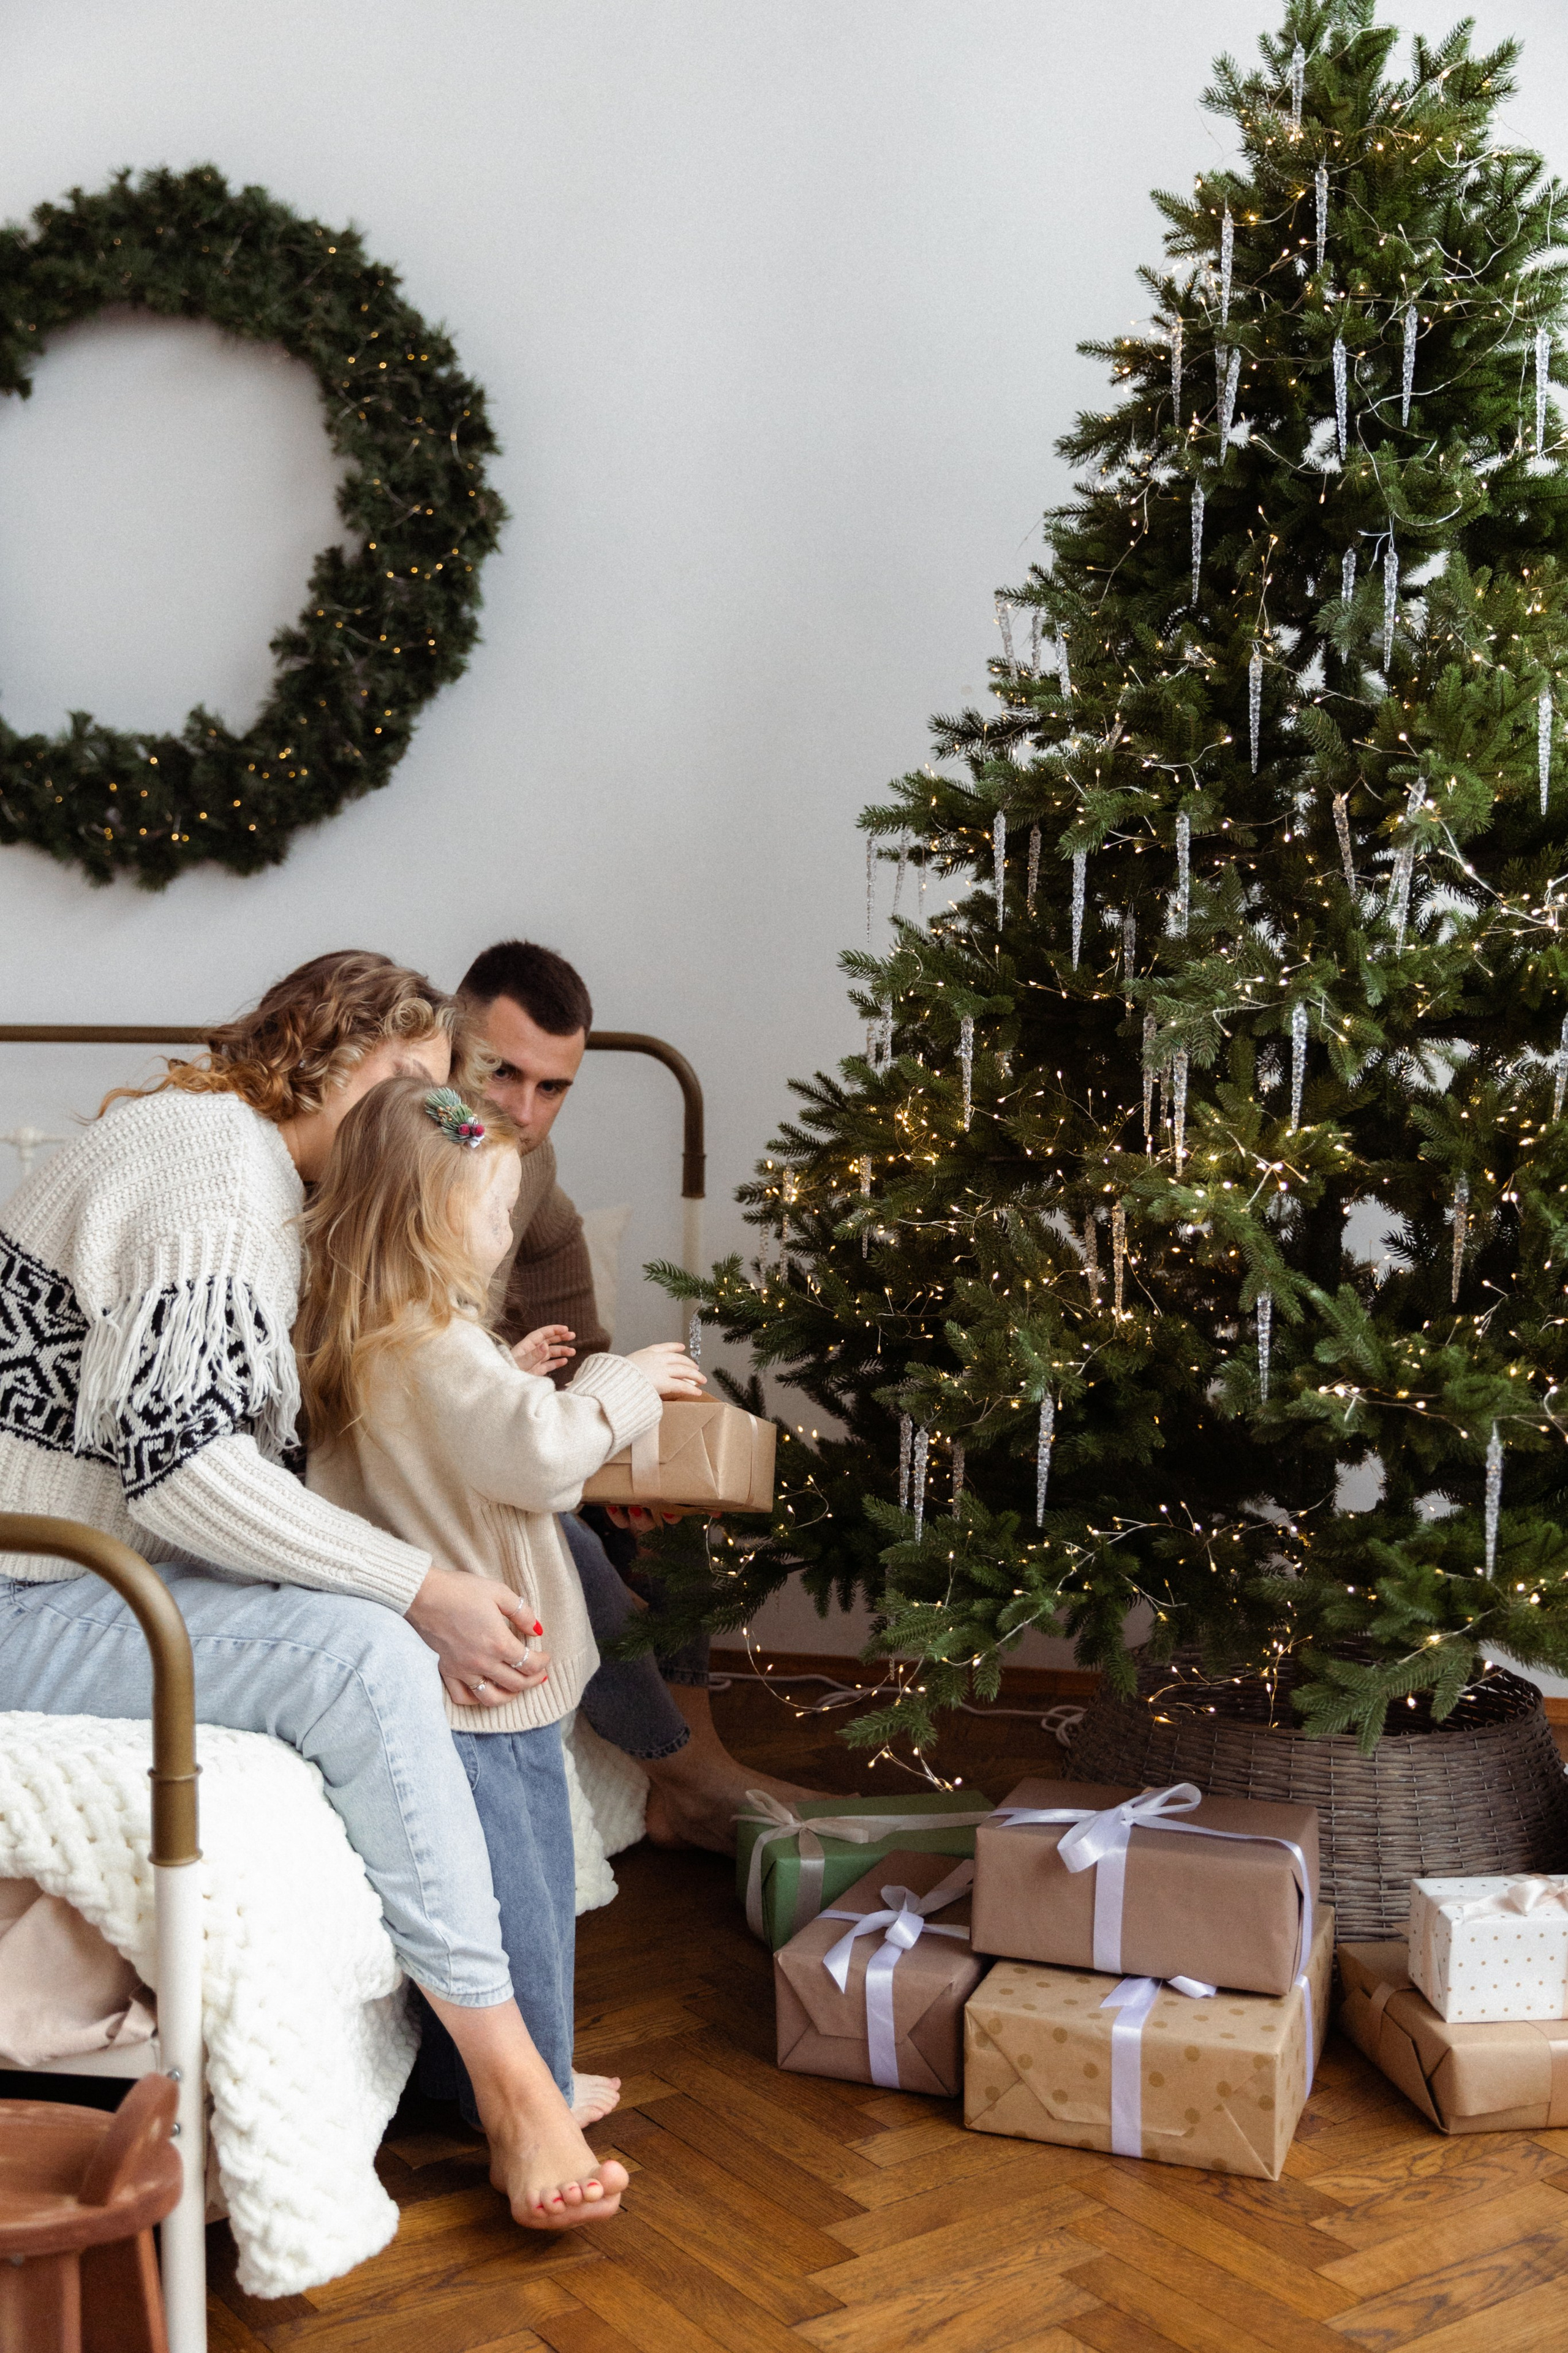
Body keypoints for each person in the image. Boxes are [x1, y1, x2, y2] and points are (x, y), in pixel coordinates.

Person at [0, 951, 628, 2229]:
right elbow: (181, 1472)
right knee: (365, 1656)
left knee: (413, 1630)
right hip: (29, 1581)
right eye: (409, 1084)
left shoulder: (248, 1185)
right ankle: (513, 2084)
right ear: (328, 1054)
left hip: (72, 1573)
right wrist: (419, 1588)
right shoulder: (208, 1163)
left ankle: (482, 2064)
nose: (418, 1125)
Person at [295, 1075, 705, 2136]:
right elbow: (540, 1458)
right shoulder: (434, 1345)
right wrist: (620, 1384)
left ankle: (450, 2080)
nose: (500, 1231)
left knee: (455, 1897)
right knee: (520, 1897)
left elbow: (447, 1436)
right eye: (491, 1211)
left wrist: (508, 1371)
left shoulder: (367, 1334)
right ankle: (535, 2087)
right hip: (494, 1688)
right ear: (434, 1215)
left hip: (428, 1674)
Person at [456, 939, 814, 1849]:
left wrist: (619, 1455)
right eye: (502, 1074)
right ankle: (683, 1770)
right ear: (453, 1038)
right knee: (558, 1534)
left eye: (552, 1087)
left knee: (675, 1486)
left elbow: (564, 1282)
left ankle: (697, 1754)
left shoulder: (525, 1162)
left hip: (523, 1419)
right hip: (456, 1439)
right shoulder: (413, 1148)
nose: (524, 1111)